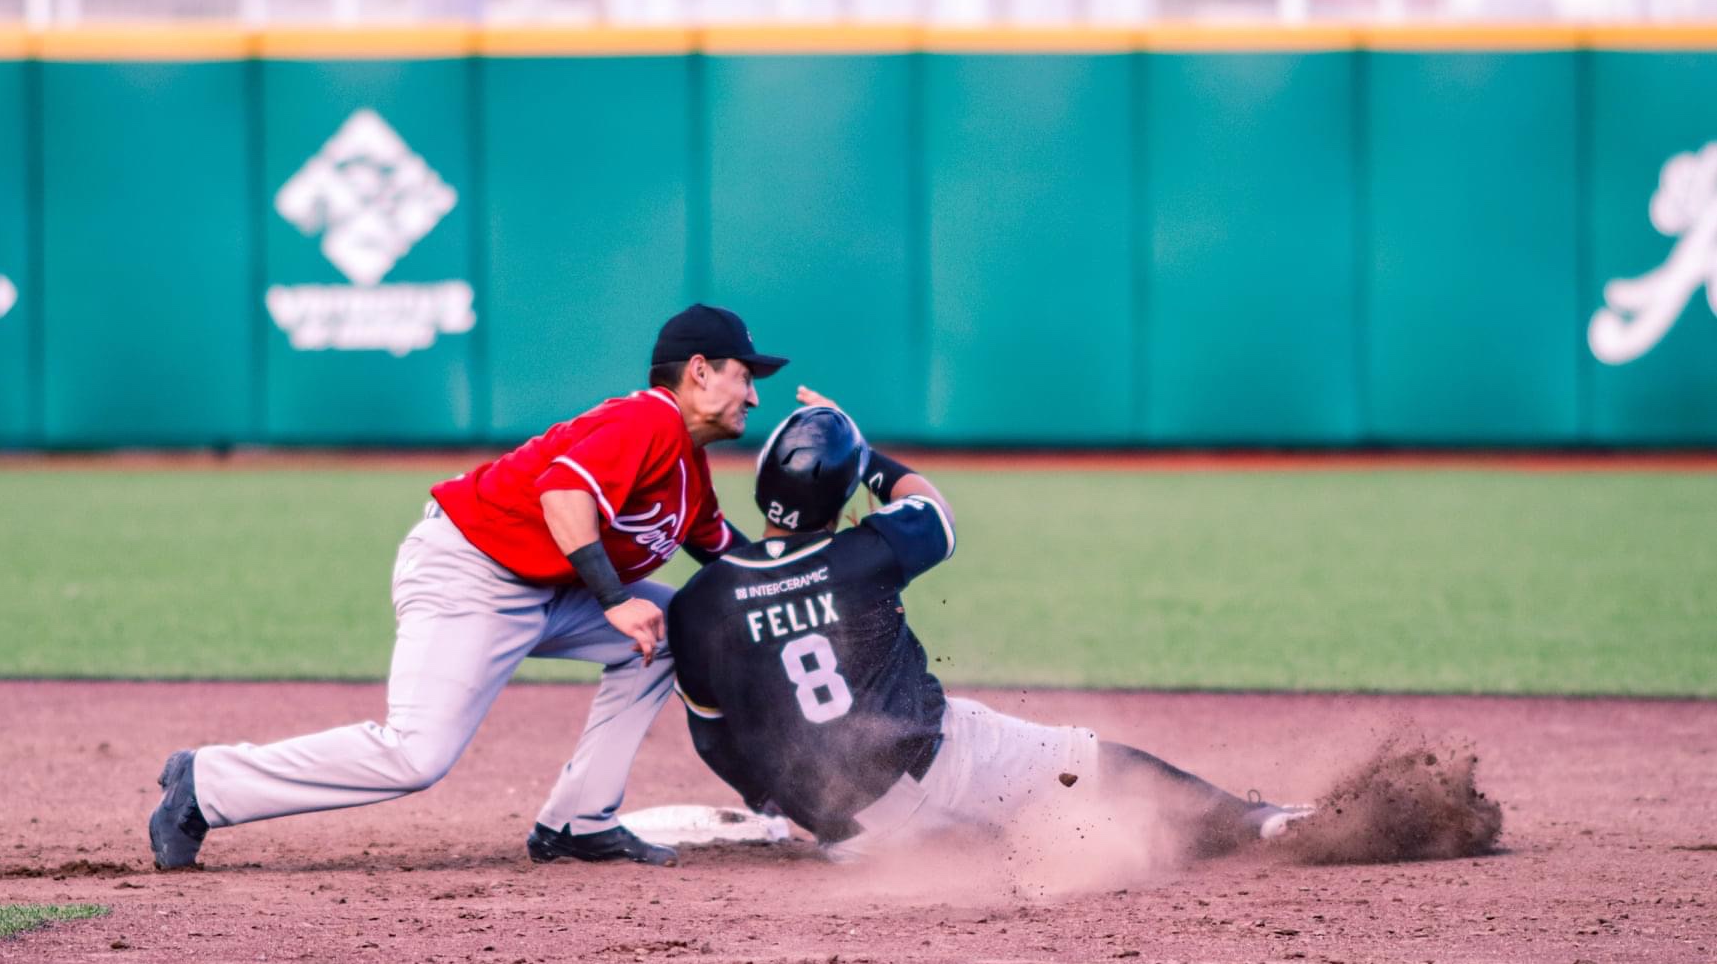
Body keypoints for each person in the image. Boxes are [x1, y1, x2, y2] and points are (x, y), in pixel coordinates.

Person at [147, 304, 788, 870]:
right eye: (746, 375)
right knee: (415, 757)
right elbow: (563, 496)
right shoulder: (644, 421)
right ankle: (208, 784)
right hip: (472, 571)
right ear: (699, 370)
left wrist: (823, 562)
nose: (754, 396)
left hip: (549, 589)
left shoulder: (688, 469)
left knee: (677, 625)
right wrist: (616, 601)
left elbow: (733, 563)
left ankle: (578, 822)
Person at [665, 393, 1312, 865]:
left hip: (844, 835)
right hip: (933, 768)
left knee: (927, 807)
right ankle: (1256, 822)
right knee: (1082, 759)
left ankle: (953, 842)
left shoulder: (698, 603)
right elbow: (930, 507)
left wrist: (777, 800)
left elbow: (715, 742)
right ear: (842, 495)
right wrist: (867, 459)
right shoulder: (865, 553)